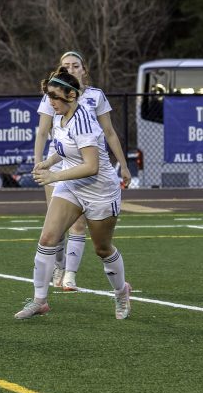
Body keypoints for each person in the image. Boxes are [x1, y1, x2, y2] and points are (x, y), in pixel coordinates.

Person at [16, 70, 130, 321]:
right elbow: (65, 149)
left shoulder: (83, 122)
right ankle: (39, 301)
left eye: (55, 97)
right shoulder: (60, 117)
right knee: (48, 238)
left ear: (71, 95)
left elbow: (92, 166)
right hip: (71, 186)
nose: (51, 102)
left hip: (100, 191)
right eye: (48, 96)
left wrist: (53, 176)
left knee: (102, 249)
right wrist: (49, 162)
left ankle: (121, 291)